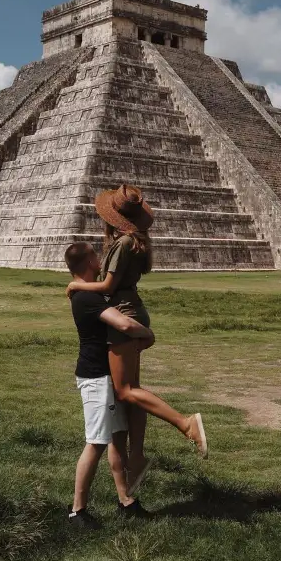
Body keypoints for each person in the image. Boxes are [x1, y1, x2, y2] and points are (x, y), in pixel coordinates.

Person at [67, 183, 208, 495]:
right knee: (131, 391)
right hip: (134, 310)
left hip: (124, 317)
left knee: (126, 390)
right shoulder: (135, 242)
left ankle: (186, 424)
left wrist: (75, 287)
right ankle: (138, 455)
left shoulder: (122, 244)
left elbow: (105, 288)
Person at [65, 241, 154, 529]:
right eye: (96, 254)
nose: (101, 258)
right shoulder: (86, 298)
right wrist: (148, 333)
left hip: (105, 377)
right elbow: (125, 325)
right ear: (90, 262)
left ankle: (125, 501)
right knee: (95, 442)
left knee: (117, 436)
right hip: (95, 378)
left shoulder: (88, 294)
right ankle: (77, 510)